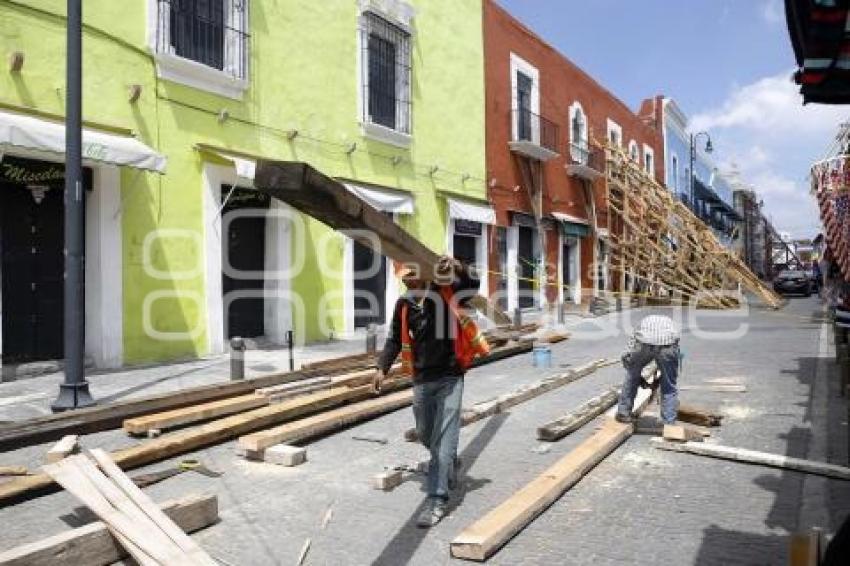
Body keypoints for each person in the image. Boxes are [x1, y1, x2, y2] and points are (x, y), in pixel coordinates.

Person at [373, 255, 489, 528]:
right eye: (403, 278)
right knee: (425, 433)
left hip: (450, 377)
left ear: (423, 273)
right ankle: (449, 460)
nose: (408, 281)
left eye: (411, 275)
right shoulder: (404, 305)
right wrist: (381, 368)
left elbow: (473, 283)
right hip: (422, 379)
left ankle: (437, 500)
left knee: (445, 437)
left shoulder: (447, 290)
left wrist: (459, 265)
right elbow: (392, 339)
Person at [615, 315, 681, 424]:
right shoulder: (672, 325)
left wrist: (635, 375)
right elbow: (676, 345)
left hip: (643, 344)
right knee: (669, 385)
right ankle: (668, 421)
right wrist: (666, 376)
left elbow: (627, 353)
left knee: (631, 375)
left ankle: (623, 413)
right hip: (667, 345)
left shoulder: (642, 323)